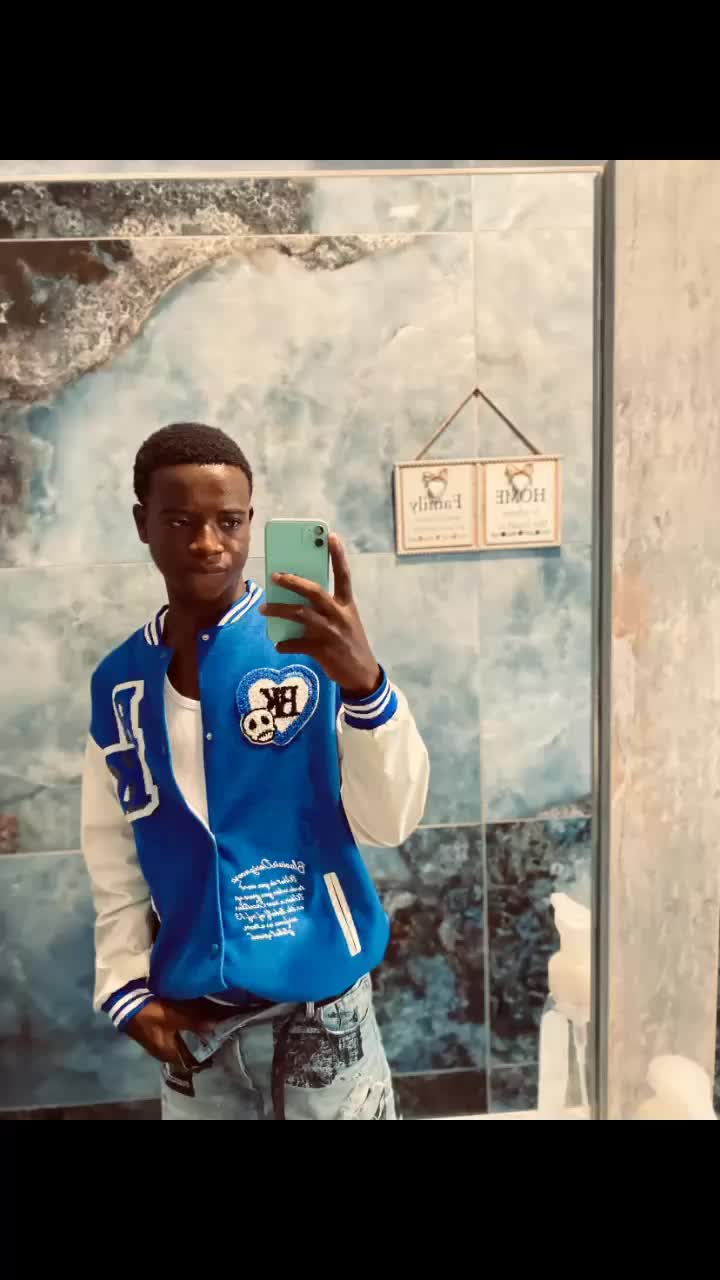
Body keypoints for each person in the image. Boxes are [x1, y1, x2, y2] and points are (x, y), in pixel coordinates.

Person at [81, 423, 429, 1121]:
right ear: (142, 524)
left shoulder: (311, 651)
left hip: (322, 1013)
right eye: (180, 521)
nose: (208, 543)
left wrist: (366, 688)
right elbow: (114, 844)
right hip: (195, 1026)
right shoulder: (120, 683)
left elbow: (389, 823)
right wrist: (123, 986)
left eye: (229, 521)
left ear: (251, 524)